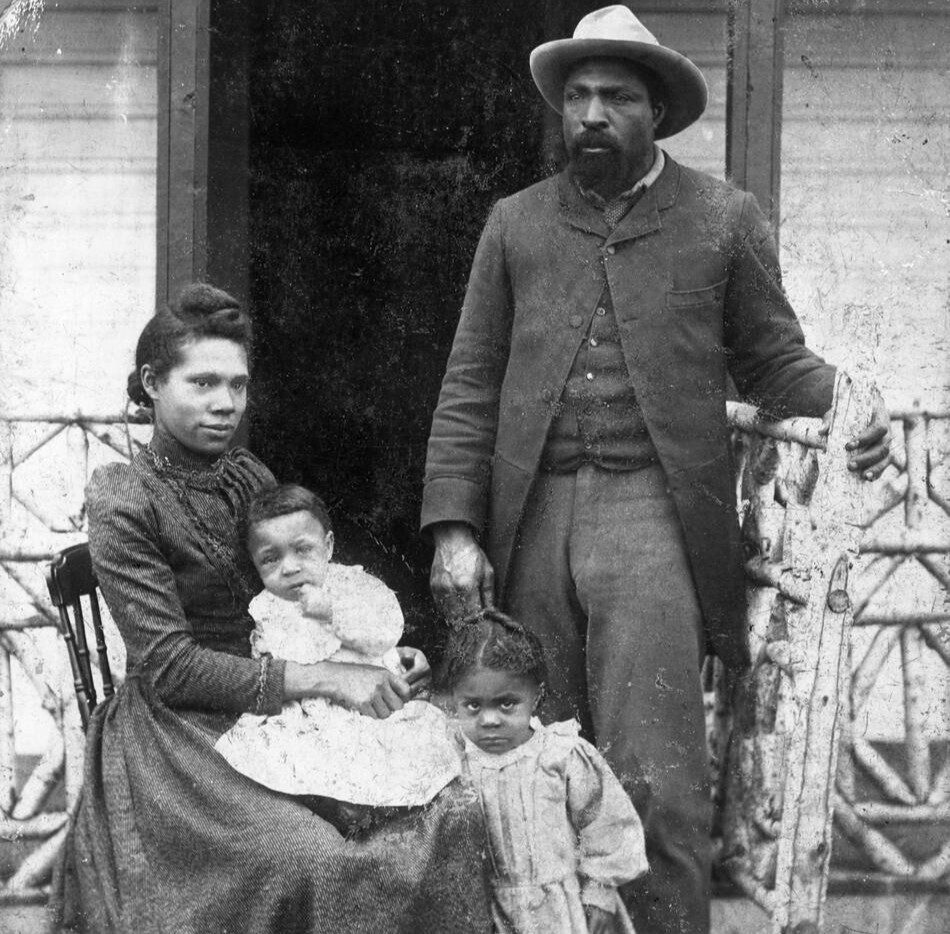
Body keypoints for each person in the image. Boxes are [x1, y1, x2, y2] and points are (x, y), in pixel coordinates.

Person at [421, 5, 891, 934]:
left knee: (653, 774)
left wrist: (854, 400)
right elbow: (470, 378)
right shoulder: (516, 224)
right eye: (578, 97)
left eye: (618, 97)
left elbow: (774, 361)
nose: (593, 114)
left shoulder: (722, 217)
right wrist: (454, 529)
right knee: (533, 764)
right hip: (533, 515)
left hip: (652, 513)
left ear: (659, 112)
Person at [53, 283, 490, 934]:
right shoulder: (123, 497)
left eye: (237, 384)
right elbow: (170, 668)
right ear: (151, 383)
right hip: (180, 729)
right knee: (309, 856)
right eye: (203, 383)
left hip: (284, 704)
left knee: (452, 807)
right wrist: (330, 678)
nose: (225, 403)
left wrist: (375, 655)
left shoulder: (246, 476)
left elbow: (300, 595)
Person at [214, 483, 460, 809]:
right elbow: (270, 665)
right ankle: (338, 805)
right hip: (307, 712)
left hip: (368, 702)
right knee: (292, 759)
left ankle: (374, 804)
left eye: (303, 550)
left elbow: (386, 629)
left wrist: (333, 612)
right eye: (271, 559)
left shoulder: (350, 585)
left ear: (328, 546)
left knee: (392, 755)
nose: (290, 567)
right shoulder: (268, 606)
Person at [440, 608, 647, 934]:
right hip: (485, 912)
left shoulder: (560, 754)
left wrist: (600, 890)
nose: (489, 720)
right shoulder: (454, 759)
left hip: (556, 912)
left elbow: (605, 821)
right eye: (473, 705)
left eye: (506, 703)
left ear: (535, 696)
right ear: (455, 700)